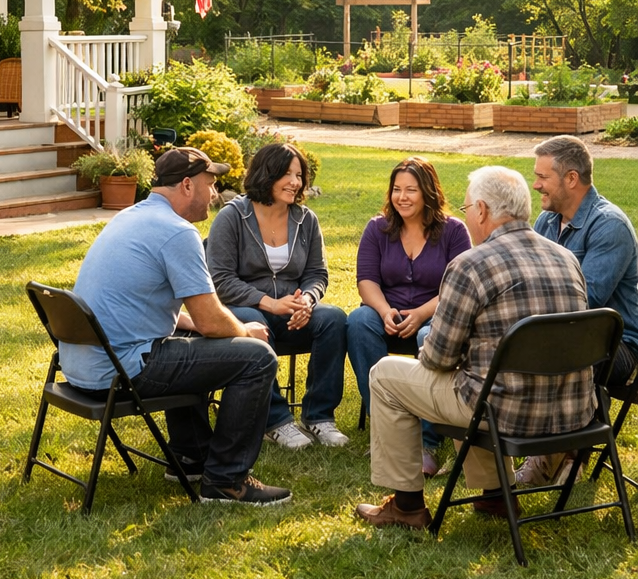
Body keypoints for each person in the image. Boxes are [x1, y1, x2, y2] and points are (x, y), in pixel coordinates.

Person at [355, 166, 592, 530]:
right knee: (481, 380)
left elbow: (437, 357)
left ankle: (406, 507)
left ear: (481, 210)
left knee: (386, 374)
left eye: (467, 210)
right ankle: (496, 494)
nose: (467, 219)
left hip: (505, 414)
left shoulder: (470, 264)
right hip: (571, 412)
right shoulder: (566, 259)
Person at [59, 145, 292, 506]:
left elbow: (158, 312)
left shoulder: (129, 216)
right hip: (119, 372)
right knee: (257, 358)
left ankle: (190, 456)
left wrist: (197, 328)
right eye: (210, 184)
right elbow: (212, 320)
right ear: (186, 185)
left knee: (189, 339)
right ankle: (226, 480)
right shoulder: (177, 232)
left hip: (82, 365)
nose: (214, 194)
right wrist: (246, 333)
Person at [206, 142, 348, 450]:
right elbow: (220, 279)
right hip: (246, 307)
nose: (295, 182)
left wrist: (307, 301)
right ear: (266, 174)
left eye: (299, 175)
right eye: (286, 174)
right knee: (253, 322)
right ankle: (277, 422)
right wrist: (269, 302)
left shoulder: (305, 219)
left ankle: (319, 416)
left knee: (334, 319)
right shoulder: (232, 217)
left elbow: (317, 273)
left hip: (293, 310)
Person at [517, 134, 638, 486]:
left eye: (543, 177)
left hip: (619, 348)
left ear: (571, 178)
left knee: (551, 354)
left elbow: (586, 301)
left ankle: (561, 452)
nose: (535, 184)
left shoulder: (609, 226)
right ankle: (561, 450)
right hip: (562, 333)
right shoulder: (547, 223)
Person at [347, 157, 471, 477]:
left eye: (411, 190)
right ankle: (388, 430)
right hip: (388, 314)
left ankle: (426, 440)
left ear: (428, 192)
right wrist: (385, 310)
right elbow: (367, 281)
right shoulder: (378, 228)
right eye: (396, 190)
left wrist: (420, 314)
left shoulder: (453, 231)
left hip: (435, 316)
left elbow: (458, 287)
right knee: (359, 323)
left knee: (425, 335)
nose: (402, 197)